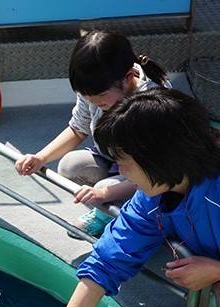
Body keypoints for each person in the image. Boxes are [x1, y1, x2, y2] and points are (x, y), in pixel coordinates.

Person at [12, 88, 220, 307]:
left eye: (125, 162)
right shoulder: (153, 197)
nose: (119, 170)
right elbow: (106, 263)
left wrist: (215, 270)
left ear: (162, 158)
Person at [14, 30, 170, 237]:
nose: (93, 102)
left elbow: (159, 175)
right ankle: (114, 205)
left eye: (100, 96)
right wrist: (41, 157)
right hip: (118, 162)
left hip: (153, 176)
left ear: (128, 77)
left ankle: (117, 214)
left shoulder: (152, 105)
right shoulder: (94, 89)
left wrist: (104, 193)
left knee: (106, 187)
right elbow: (78, 128)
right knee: (71, 166)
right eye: (86, 96)